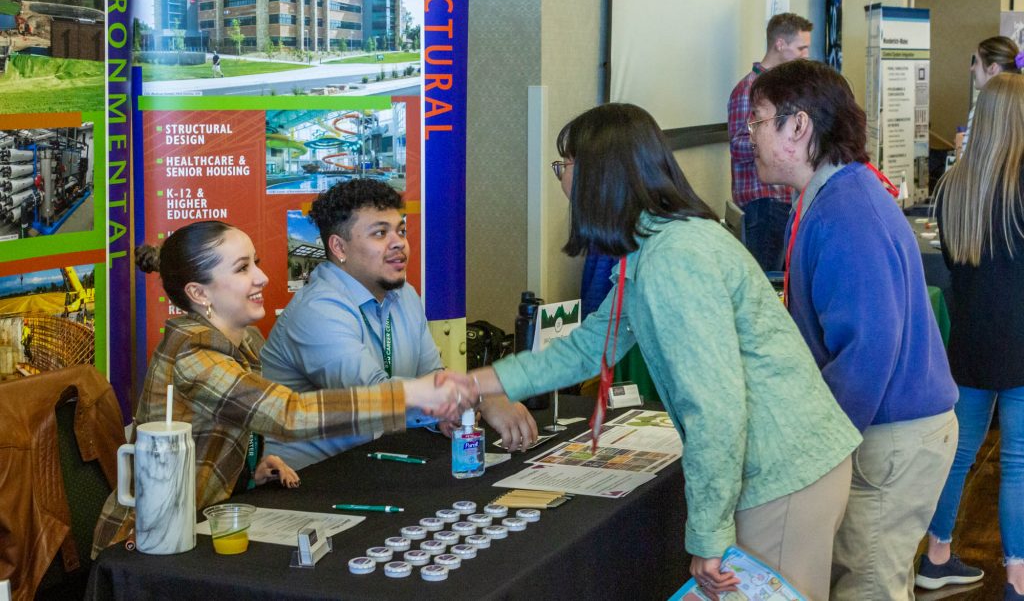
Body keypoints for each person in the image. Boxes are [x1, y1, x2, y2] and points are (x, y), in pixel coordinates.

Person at [445, 103, 861, 601]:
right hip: (784, 467)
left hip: (782, 474)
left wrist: (707, 536)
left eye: (566, 166)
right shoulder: (653, 243)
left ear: (598, 175)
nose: (561, 181)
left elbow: (715, 410)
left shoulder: (673, 259)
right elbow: (585, 349)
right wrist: (476, 384)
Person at [91, 221, 463, 556]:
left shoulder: (244, 340)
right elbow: (289, 414)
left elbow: (229, 429)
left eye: (256, 262)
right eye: (242, 268)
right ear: (199, 293)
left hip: (200, 529)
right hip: (142, 545)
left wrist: (245, 471)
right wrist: (409, 395)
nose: (263, 278)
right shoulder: (193, 353)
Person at [749, 59, 959, 600]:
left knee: (867, 587)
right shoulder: (834, 195)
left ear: (798, 127)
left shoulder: (845, 209)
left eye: (758, 120)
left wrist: (817, 447)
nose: (748, 134)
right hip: (891, 430)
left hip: (891, 436)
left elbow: (868, 348)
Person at [261, 179, 537, 469]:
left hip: (376, 462)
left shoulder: (404, 294)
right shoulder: (317, 310)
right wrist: (477, 396)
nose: (399, 243)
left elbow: (430, 373)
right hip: (310, 481)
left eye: (401, 230)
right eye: (380, 233)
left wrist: (444, 415)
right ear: (339, 247)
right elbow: (374, 397)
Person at [918, 73, 1024, 601]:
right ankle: (1017, 580)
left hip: (969, 345)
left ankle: (935, 556)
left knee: (958, 454)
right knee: (1019, 461)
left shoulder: (953, 187)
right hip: (1023, 346)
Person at [727, 12, 812, 272]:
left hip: (784, 200)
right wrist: (773, 141)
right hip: (763, 205)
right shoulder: (750, 88)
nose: (806, 55)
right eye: (801, 47)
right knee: (766, 284)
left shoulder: (783, 88)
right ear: (780, 44)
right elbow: (739, 144)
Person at [959, 36, 1022, 156]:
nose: (971, 68)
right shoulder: (1019, 105)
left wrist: (958, 145)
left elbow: (967, 167)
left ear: (993, 68)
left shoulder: (982, 108)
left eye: (976, 62)